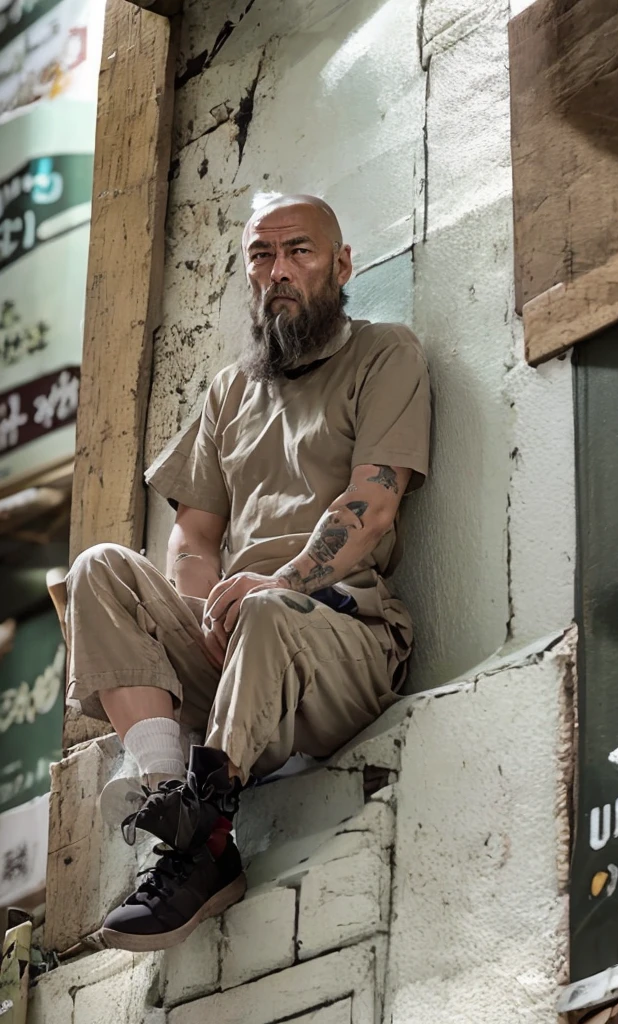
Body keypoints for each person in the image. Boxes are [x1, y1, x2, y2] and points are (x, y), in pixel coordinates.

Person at [64, 192, 431, 952]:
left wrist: (284, 581)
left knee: (268, 611)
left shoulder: (386, 352)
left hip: (343, 639)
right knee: (98, 567)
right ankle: (174, 797)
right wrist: (202, 612)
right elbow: (194, 537)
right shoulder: (232, 390)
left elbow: (373, 502)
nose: (279, 271)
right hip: (239, 653)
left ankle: (204, 846)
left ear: (341, 264)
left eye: (299, 251)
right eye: (261, 257)